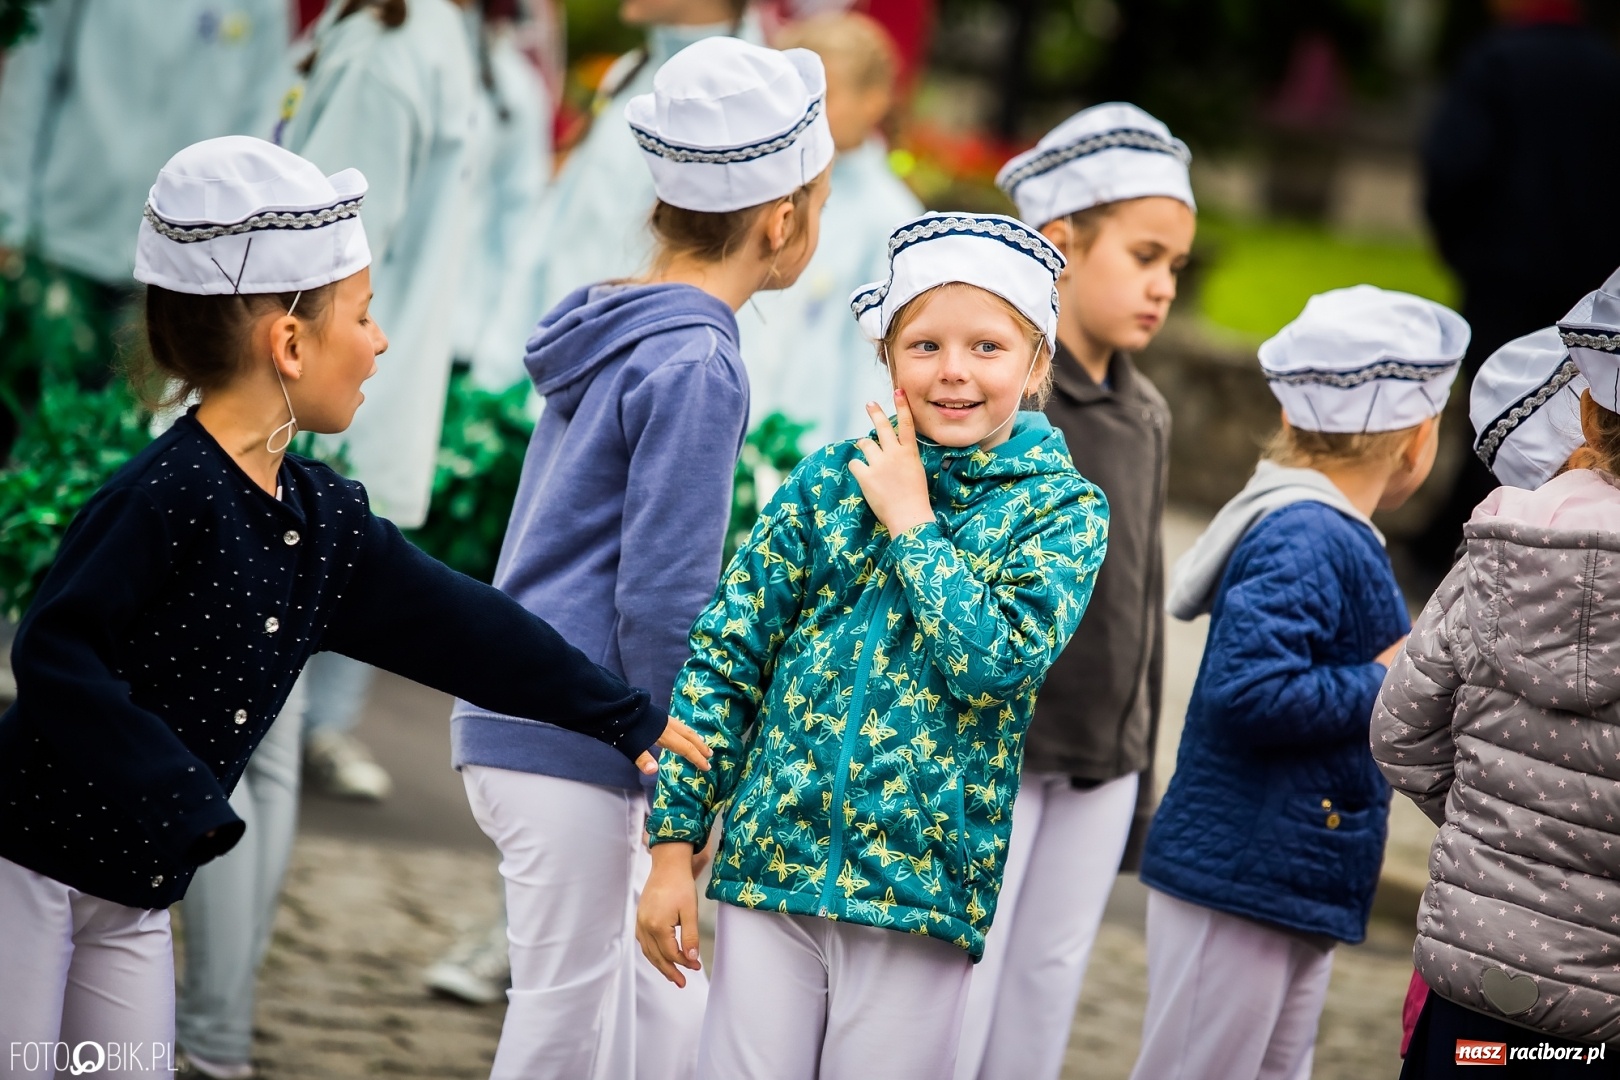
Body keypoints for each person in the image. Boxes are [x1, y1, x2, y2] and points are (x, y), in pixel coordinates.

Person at [0, 135, 710, 1077]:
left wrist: (622, 714)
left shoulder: (322, 519)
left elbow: (464, 628)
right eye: (365, 315)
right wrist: (176, 791)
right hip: (29, 868)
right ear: (290, 345)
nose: (380, 341)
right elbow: (55, 653)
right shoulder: (162, 496)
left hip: (134, 896)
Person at [637, 211, 1112, 1080]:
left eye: (988, 347)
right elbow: (726, 657)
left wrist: (913, 524)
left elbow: (998, 665)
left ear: (1038, 361)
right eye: (925, 345)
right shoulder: (827, 482)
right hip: (769, 868)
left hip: (919, 896)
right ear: (889, 356)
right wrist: (674, 842)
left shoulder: (1063, 510)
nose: (954, 370)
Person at [447, 37, 833, 1080]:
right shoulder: (699, 358)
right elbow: (665, 595)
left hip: (523, 710)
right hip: (581, 732)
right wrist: (685, 773)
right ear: (781, 219)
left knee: (650, 1006)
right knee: (567, 1020)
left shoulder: (620, 321)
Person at [1129, 285, 1468, 1080]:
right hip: (1242, 878)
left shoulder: (1324, 530)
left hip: (1284, 876)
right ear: (1419, 440)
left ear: (1289, 414)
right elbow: (1249, 691)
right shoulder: (1306, 532)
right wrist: (1384, 678)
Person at [952, 102, 1195, 1080]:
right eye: (1144, 256)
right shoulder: (1001, 401)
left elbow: (1141, 600)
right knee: (965, 977)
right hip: (1000, 743)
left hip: (1102, 753)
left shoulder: (1147, 410)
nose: (1163, 285)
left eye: (1176, 265)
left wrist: (1139, 754)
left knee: (1047, 982)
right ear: (1059, 242)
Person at [1373, 278, 1620, 1075]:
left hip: (1472, 976)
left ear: (1588, 413)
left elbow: (1400, 730)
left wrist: (1488, 818)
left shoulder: (1499, 549)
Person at [276, 0, 489, 802]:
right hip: (341, 371)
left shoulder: (389, 50)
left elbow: (317, 255)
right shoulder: (410, 36)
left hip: (318, 381)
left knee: (257, 718)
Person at [1415, 0, 1620, 573]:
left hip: (1505, 274)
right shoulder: (1609, 71)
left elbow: (1452, 168)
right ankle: (1567, 553)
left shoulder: (1497, 61)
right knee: (1575, 413)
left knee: (1498, 409)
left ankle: (1479, 550)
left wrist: (1469, 252)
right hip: (1593, 292)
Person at [734, 10, 921, 447]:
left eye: (823, 93)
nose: (803, 108)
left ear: (873, 101)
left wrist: (851, 464)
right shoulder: (759, 185)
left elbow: (878, 366)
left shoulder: (889, 217)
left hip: (806, 451)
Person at [529, 0, 757, 316]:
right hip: (561, 332)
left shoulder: (754, 95)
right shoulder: (629, 71)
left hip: (639, 338)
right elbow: (556, 231)